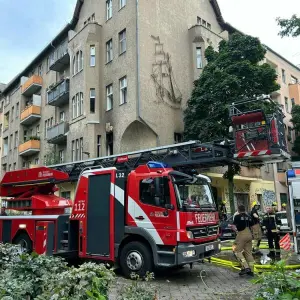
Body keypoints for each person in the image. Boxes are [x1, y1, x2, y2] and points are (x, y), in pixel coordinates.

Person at [232, 205, 255, 276]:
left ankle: (245, 267)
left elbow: (234, 226)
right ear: (244, 210)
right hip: (249, 235)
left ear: (238, 210)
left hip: (241, 235)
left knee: (236, 250)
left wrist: (234, 229)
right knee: (248, 253)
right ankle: (251, 270)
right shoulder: (249, 217)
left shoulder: (237, 216)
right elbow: (253, 226)